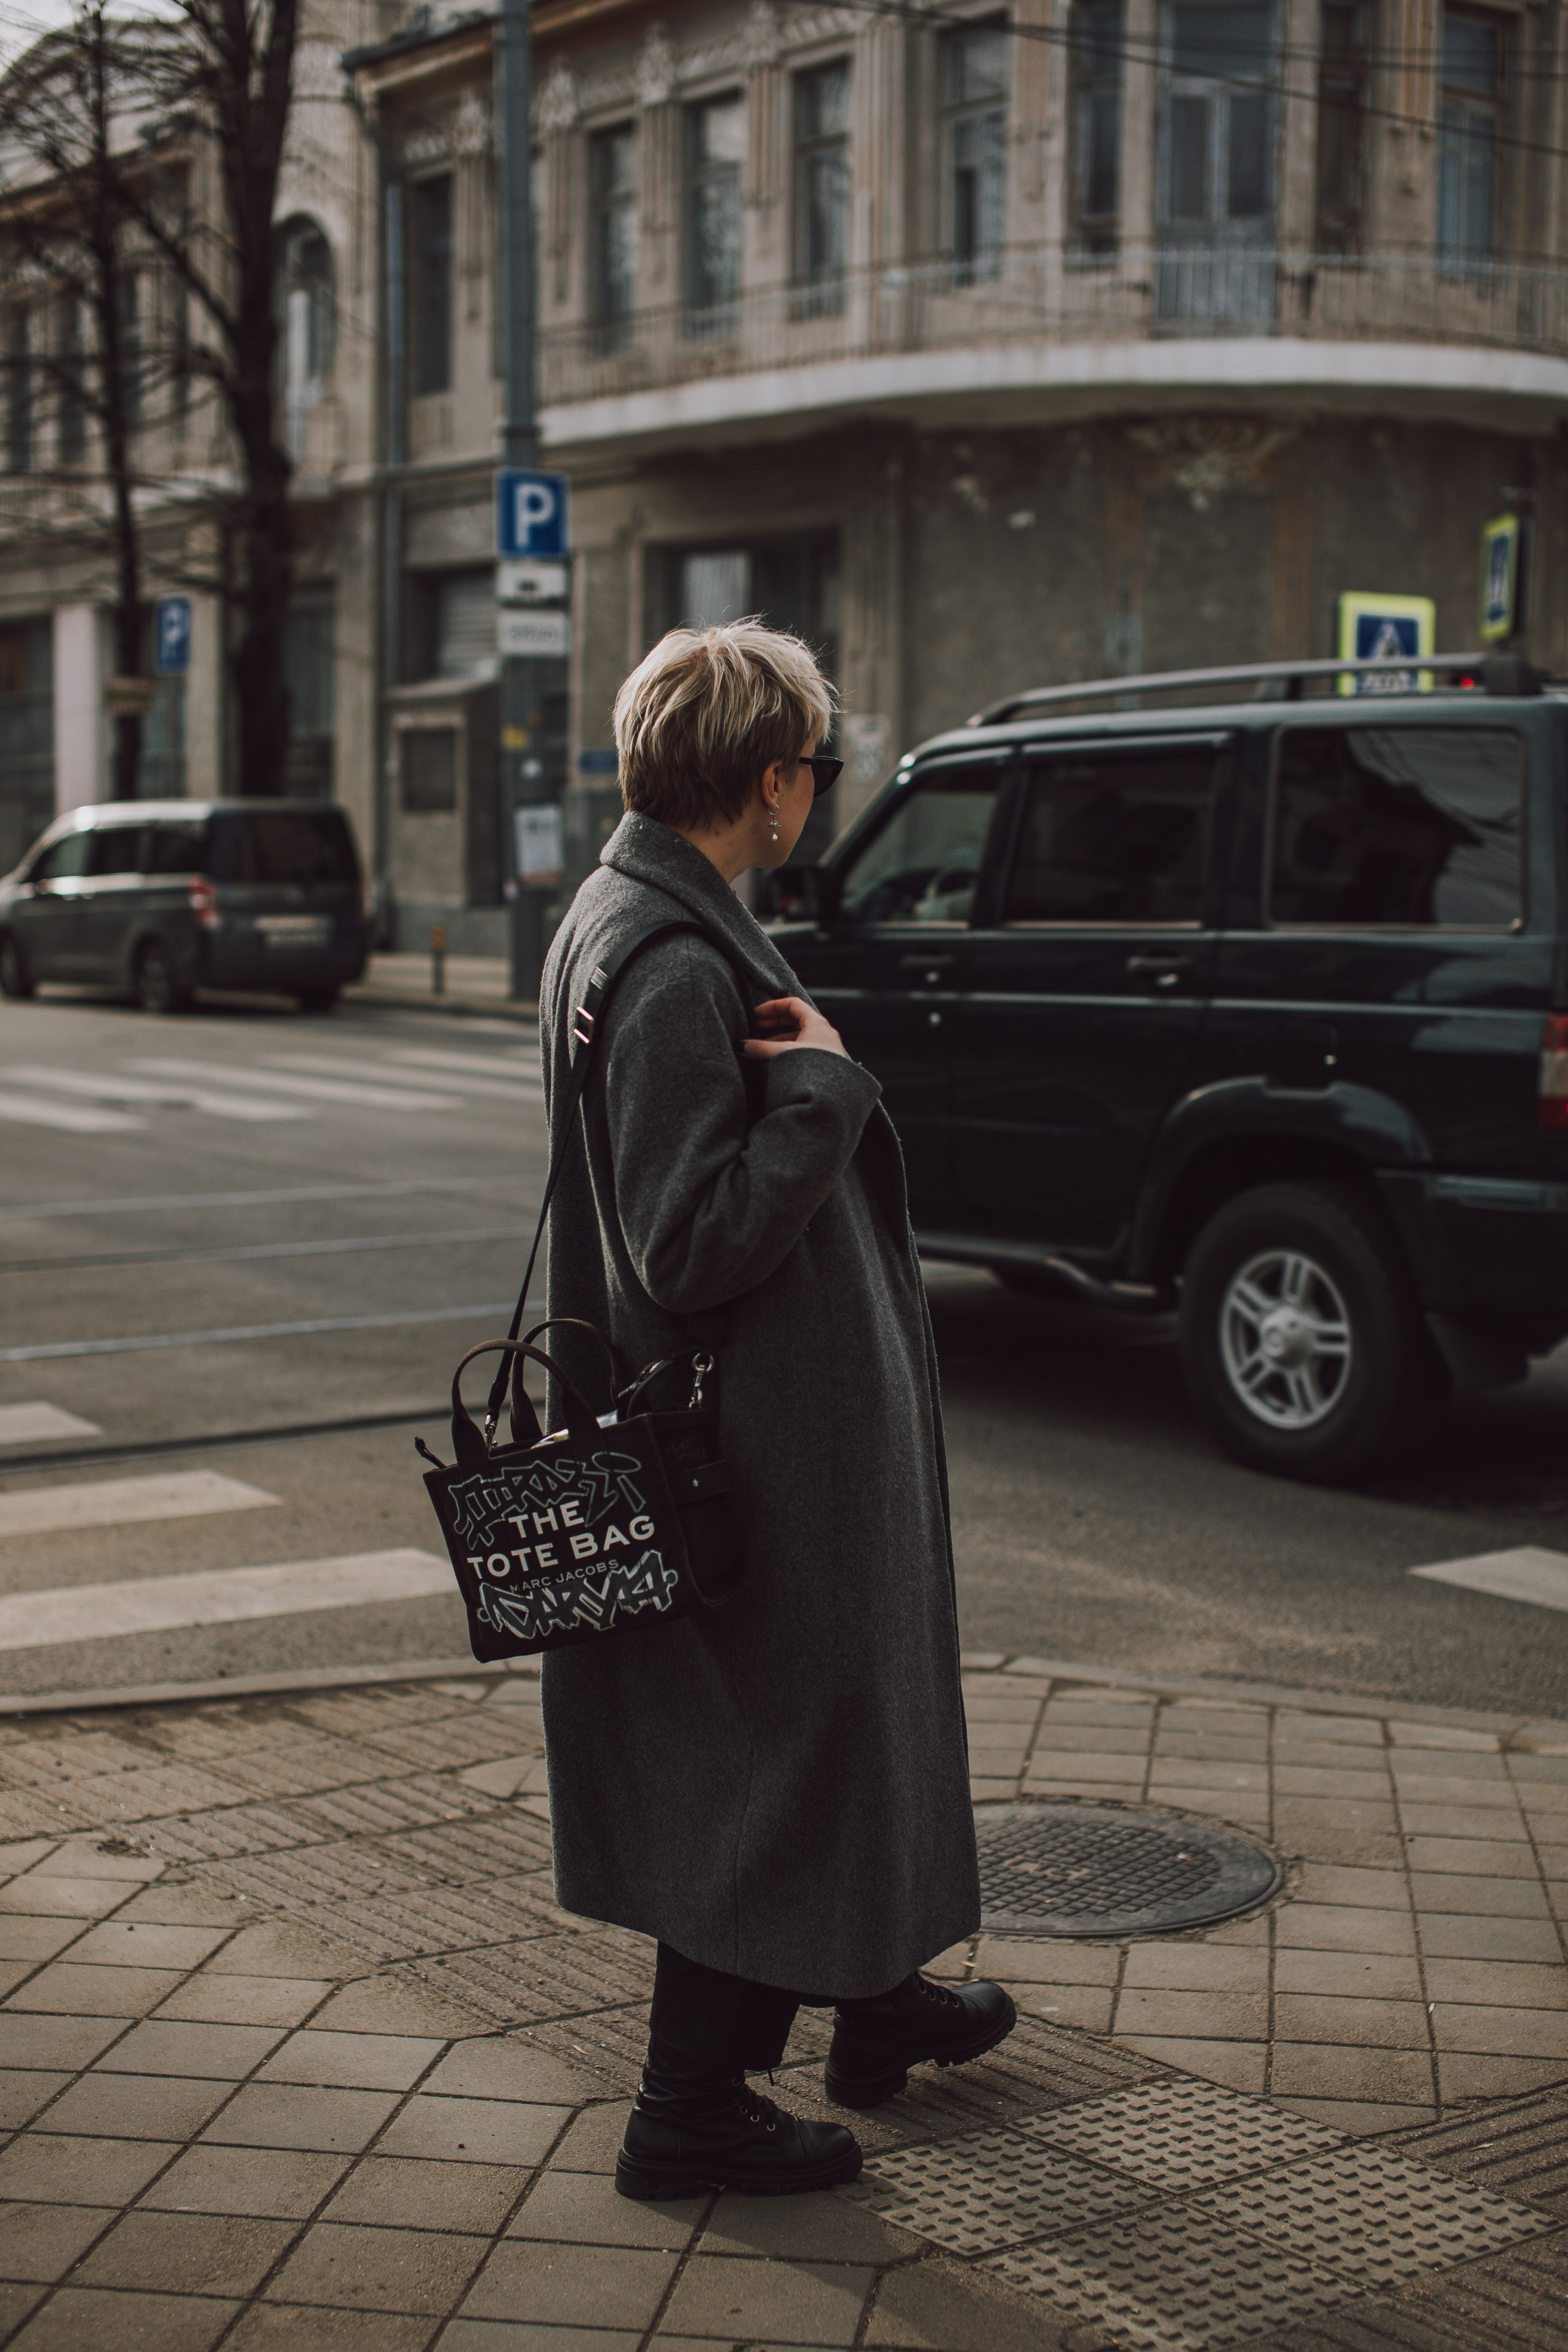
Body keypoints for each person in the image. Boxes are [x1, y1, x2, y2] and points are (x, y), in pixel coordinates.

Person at [537, 619, 1012, 2202]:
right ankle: (689, 2111)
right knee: (762, 1750)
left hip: (759, 1427)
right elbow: (688, 1238)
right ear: (771, 782)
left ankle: (874, 2000)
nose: (818, 788)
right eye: (814, 765)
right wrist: (821, 1088)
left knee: (834, 1721)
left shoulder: (628, 908)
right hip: (754, 1445)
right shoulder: (673, 956)